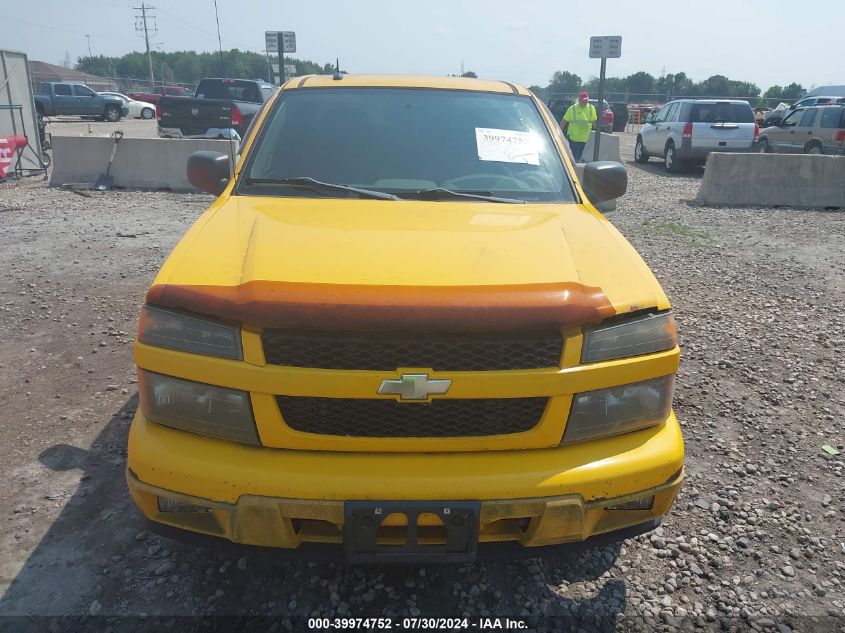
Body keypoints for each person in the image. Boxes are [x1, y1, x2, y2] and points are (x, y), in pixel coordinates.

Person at [561, 91, 597, 162]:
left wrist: (598, 132)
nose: (585, 102)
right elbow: (564, 121)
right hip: (574, 139)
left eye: (586, 100)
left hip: (587, 139)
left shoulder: (591, 108)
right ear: (579, 100)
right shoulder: (573, 108)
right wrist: (559, 133)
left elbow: (594, 121)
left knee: (585, 160)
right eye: (583, 101)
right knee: (576, 159)